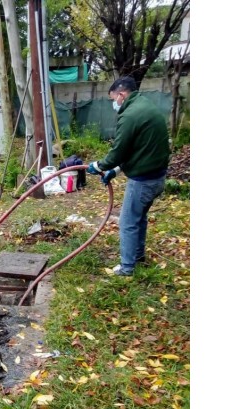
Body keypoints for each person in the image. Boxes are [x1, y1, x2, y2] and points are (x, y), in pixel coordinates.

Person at [86, 76, 171, 276]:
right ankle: (137, 256)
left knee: (128, 222)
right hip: (157, 176)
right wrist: (114, 171)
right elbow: (139, 150)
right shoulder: (145, 106)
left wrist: (99, 166)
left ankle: (126, 268)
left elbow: (119, 152)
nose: (112, 103)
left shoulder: (130, 115)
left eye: (112, 99)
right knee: (139, 218)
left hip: (144, 181)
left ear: (121, 95)